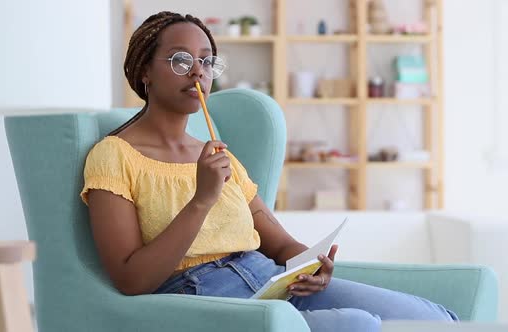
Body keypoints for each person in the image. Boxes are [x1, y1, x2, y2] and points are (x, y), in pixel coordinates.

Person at [80, 11, 458, 331]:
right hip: (206, 298)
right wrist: (201, 201)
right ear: (145, 69)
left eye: (207, 61)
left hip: (271, 281)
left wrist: (311, 265)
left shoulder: (216, 154)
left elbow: (278, 243)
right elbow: (131, 280)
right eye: (181, 61)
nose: (198, 73)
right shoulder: (115, 156)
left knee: (433, 318)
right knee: (359, 325)